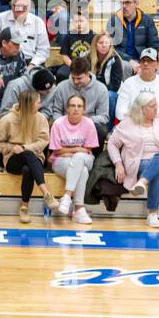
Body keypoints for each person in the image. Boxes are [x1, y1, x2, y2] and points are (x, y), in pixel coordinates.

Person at [109, 94, 159, 229]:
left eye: (156, 105)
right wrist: (118, 163)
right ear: (141, 108)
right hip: (140, 163)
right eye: (152, 106)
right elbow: (112, 143)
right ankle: (152, 214)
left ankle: (142, 182)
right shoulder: (127, 124)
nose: (156, 109)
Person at [0, 88, 57, 222]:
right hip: (13, 160)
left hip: (35, 157)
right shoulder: (8, 119)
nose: (40, 104)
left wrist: (25, 147)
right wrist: (11, 147)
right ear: (29, 104)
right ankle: (46, 193)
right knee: (27, 156)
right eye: (37, 102)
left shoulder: (41, 118)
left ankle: (24, 207)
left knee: (27, 169)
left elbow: (44, 141)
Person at [49, 92, 99, 224]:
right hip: (60, 161)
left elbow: (88, 150)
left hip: (85, 159)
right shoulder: (58, 123)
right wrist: (77, 149)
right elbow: (56, 150)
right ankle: (78, 209)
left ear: (84, 109)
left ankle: (67, 196)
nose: (76, 108)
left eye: (79, 106)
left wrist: (69, 152)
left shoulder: (89, 124)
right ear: (67, 108)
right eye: (72, 105)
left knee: (80, 159)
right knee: (81, 170)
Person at [114, 48, 159, 123]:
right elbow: (120, 111)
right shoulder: (129, 83)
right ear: (140, 63)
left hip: (158, 125)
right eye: (143, 60)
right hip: (133, 124)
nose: (146, 63)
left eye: (150, 61)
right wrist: (138, 118)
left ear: (157, 65)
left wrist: (154, 118)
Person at [107, 0, 159, 72]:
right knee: (125, 67)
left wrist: (144, 62)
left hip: (143, 60)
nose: (124, 6)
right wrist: (129, 60)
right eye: (121, 3)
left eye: (127, 2)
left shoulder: (147, 21)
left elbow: (154, 45)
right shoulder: (113, 21)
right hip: (122, 61)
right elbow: (111, 47)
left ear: (136, 4)